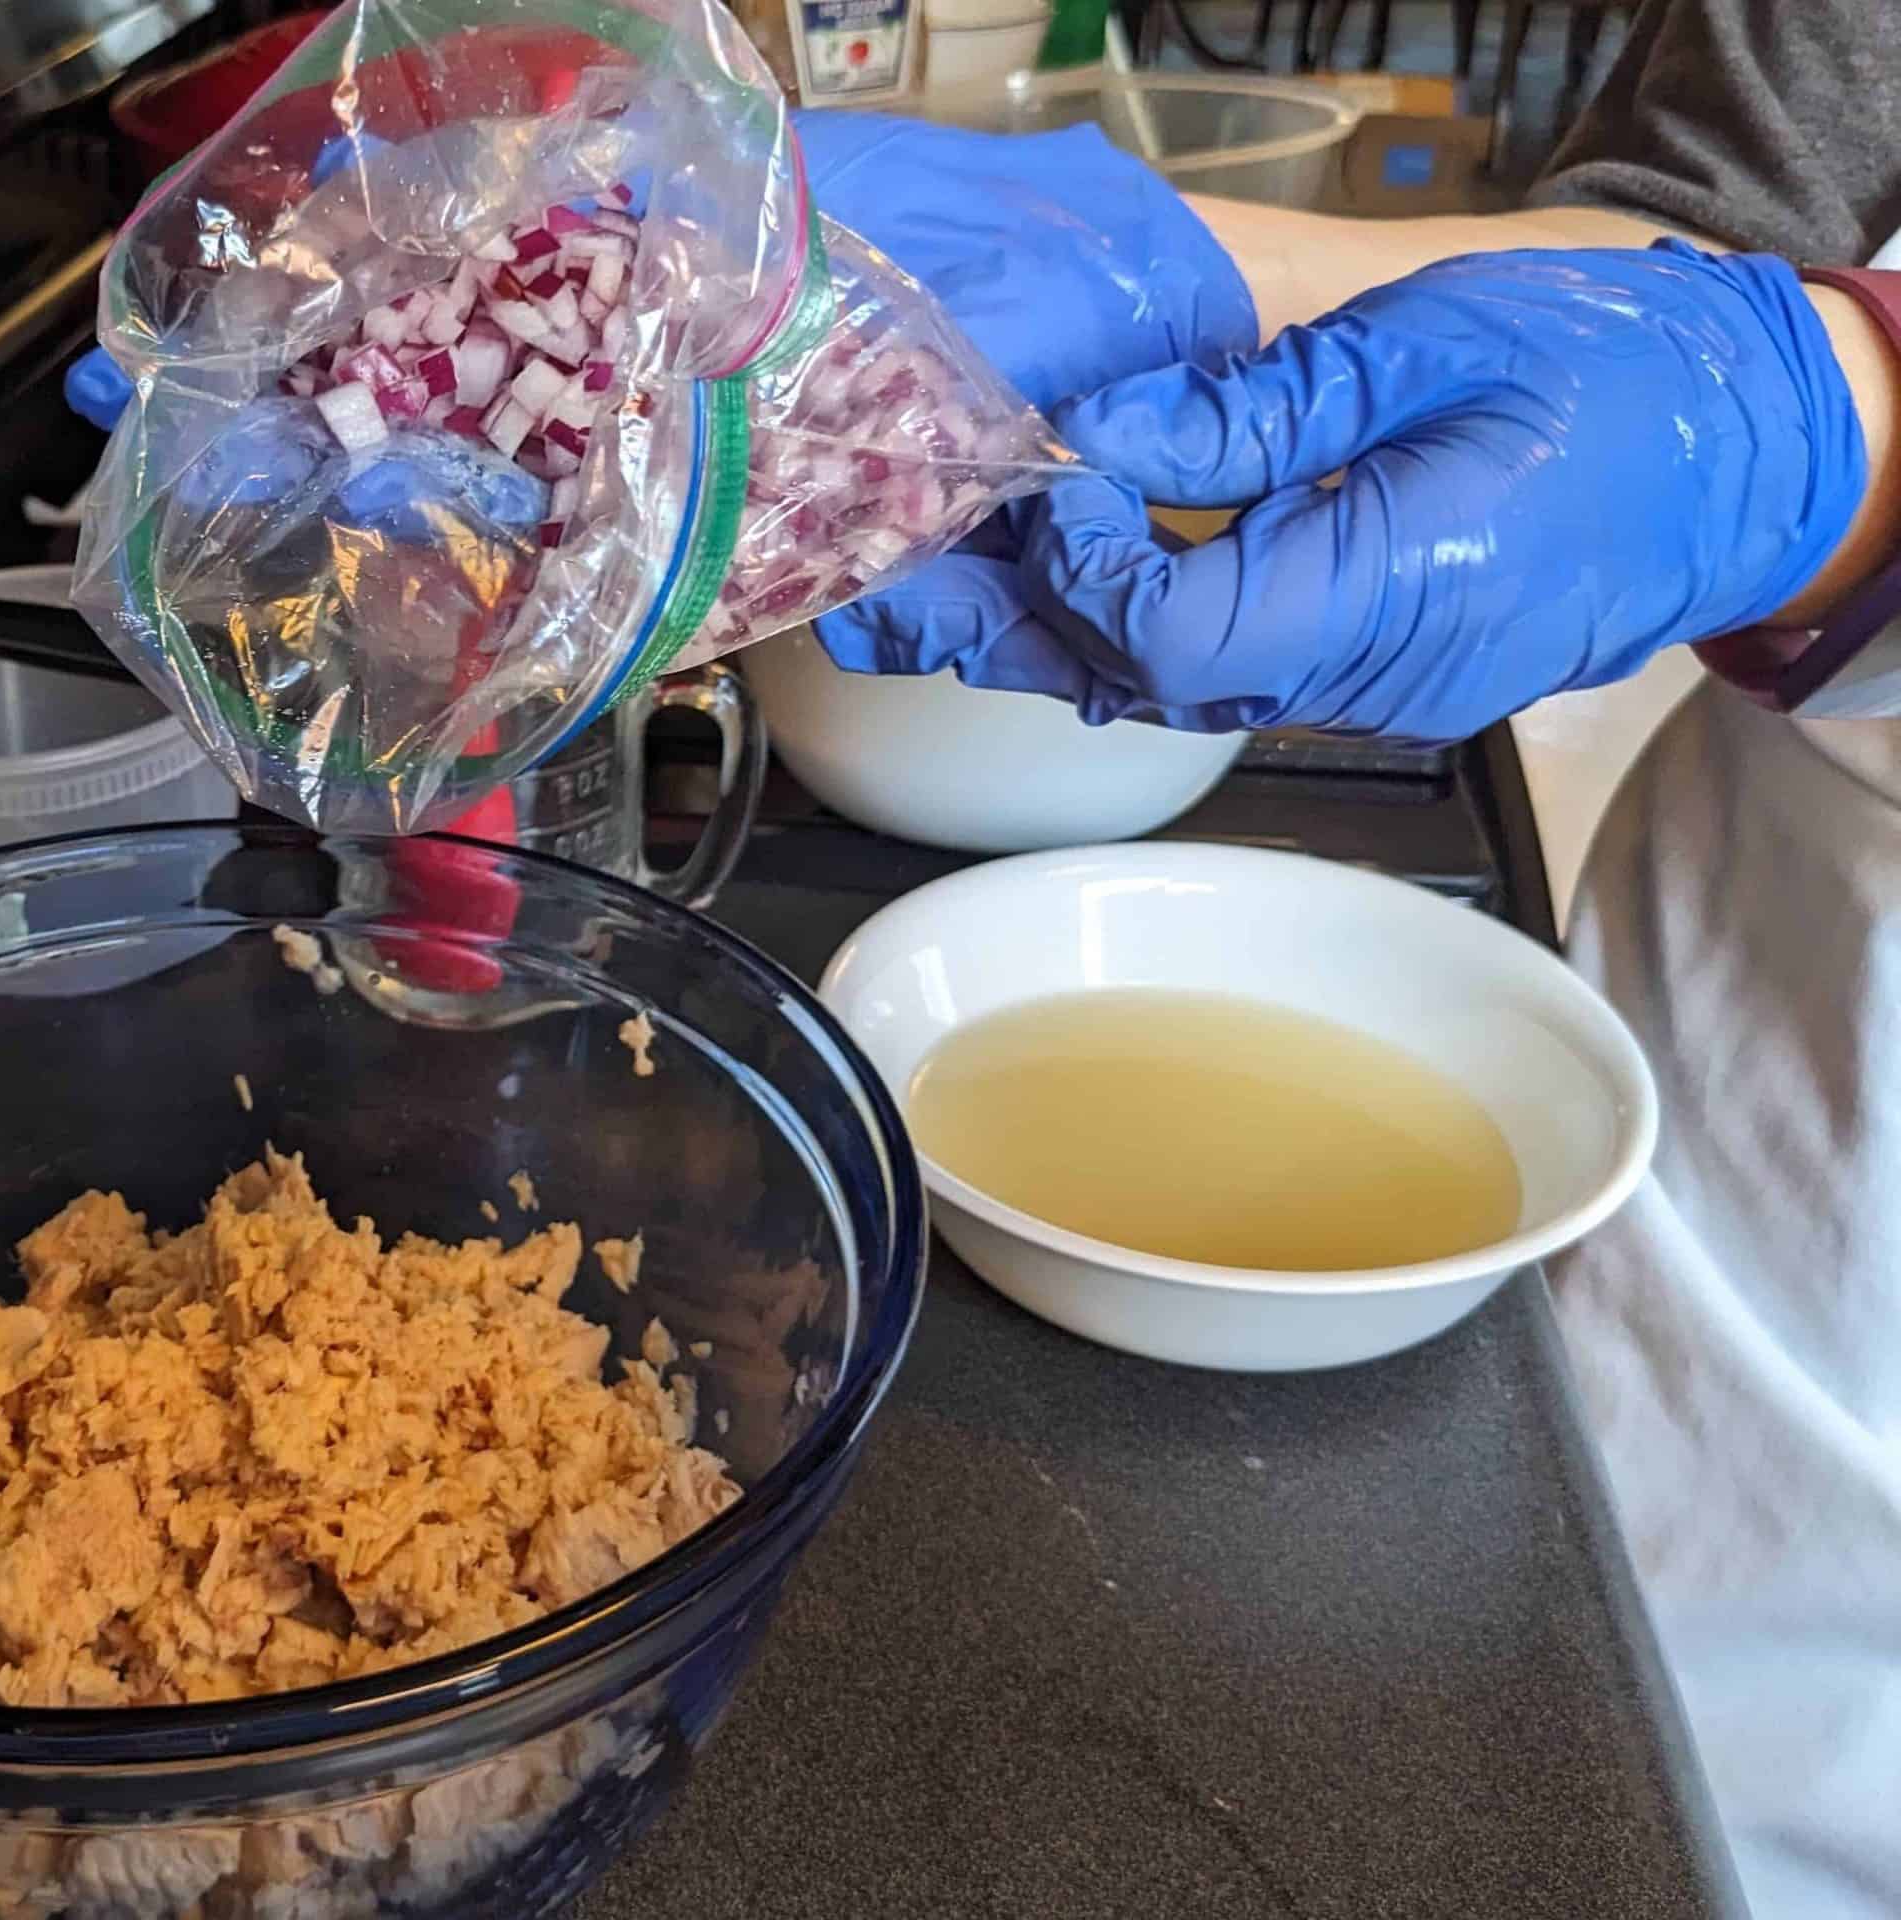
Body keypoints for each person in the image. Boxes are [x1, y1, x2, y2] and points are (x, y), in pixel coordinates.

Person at [803, 4, 1901, 1913]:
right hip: (1725, 981)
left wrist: (1833, 434)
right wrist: (1187, 283)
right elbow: (1708, 224)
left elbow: (1772, 375)